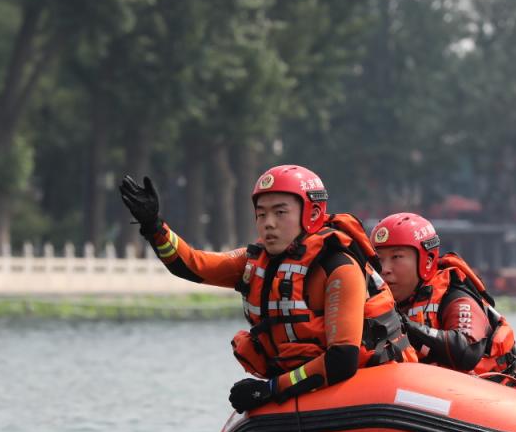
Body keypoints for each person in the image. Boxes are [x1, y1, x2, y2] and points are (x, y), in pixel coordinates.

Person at [119, 165, 414, 413]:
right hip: (306, 385)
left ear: (310, 214)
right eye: (261, 214)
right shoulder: (254, 261)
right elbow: (194, 265)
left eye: (280, 213)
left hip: (368, 386)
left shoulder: (339, 266)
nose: (268, 224)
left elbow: (343, 360)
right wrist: (154, 227)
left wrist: (271, 389)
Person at [372, 211, 516, 393]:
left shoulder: (455, 294)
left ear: (427, 261)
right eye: (379, 260)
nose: (385, 269)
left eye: (396, 257)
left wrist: (403, 326)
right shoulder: (375, 302)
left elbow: (467, 351)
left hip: (498, 401)